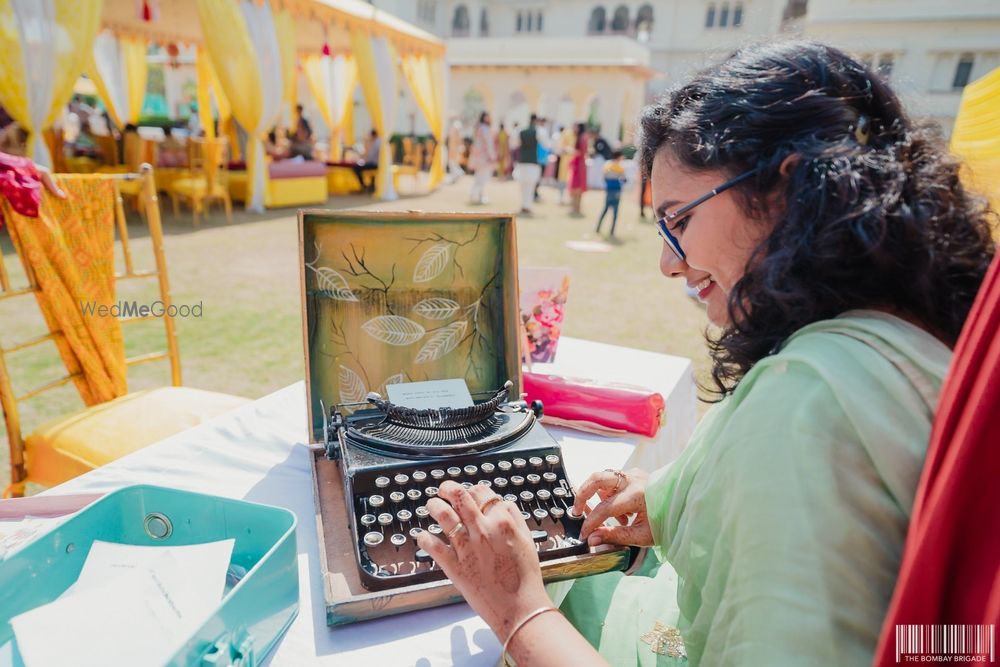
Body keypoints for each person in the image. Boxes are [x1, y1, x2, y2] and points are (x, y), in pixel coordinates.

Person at [413, 40, 995, 666]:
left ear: (789, 189)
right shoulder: (914, 323)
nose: (668, 262)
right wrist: (670, 498)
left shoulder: (805, 407)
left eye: (679, 220)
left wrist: (517, 610)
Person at [513, 114, 542, 214]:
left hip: (522, 162)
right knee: (530, 186)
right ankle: (527, 205)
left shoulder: (520, 131)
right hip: (532, 162)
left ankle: (524, 205)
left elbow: (514, 144)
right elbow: (546, 144)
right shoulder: (538, 131)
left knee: (523, 185)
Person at [595, 149, 626, 237]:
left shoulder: (607, 165)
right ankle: (612, 231)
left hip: (609, 190)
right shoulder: (620, 167)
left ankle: (598, 227)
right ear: (618, 157)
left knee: (605, 209)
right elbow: (624, 179)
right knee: (615, 212)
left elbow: (604, 177)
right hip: (616, 190)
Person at [467, 111, 495, 205]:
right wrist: (492, 156)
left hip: (478, 157)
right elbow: (489, 144)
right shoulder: (485, 129)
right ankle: (478, 195)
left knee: (478, 177)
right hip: (484, 158)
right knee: (482, 177)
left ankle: (475, 194)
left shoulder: (478, 128)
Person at [567, 122, 588, 216]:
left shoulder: (583, 138)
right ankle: (575, 208)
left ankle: (576, 208)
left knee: (577, 187)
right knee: (576, 187)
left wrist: (570, 151)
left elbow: (581, 152)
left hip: (578, 165)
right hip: (578, 164)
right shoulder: (581, 137)